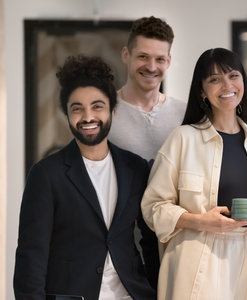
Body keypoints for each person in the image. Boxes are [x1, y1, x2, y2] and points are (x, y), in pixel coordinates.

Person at [13, 55, 156, 300]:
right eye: (77, 108)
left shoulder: (135, 168)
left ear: (111, 109)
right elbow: (31, 257)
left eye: (97, 106)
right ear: (67, 114)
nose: (88, 117)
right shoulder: (46, 175)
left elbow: (151, 241)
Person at [141, 48, 247, 300]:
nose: (227, 85)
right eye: (215, 79)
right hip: (196, 262)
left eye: (234, 76)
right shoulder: (183, 139)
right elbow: (154, 207)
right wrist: (202, 221)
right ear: (202, 91)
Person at [108, 16, 187, 162]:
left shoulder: (185, 114)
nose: (151, 67)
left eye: (160, 59)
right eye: (143, 57)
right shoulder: (105, 111)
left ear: (168, 61)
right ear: (126, 55)